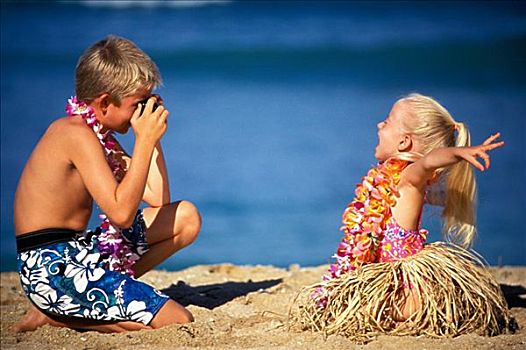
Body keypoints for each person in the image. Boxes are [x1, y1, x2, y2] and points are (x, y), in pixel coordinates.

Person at [13, 35, 202, 333]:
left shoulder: (102, 139)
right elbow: (121, 214)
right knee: (176, 320)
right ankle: (61, 315)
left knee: (185, 217)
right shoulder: (73, 133)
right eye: (139, 104)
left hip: (81, 252)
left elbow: (157, 197)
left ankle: (94, 301)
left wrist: (152, 140)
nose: (143, 112)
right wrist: (143, 140)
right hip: (51, 269)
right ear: (103, 102)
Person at [291, 93, 511, 341]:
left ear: (404, 142)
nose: (379, 125)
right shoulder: (389, 181)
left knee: (361, 309)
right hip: (384, 273)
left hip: (402, 281)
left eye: (386, 121)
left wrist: (458, 153)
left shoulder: (408, 179)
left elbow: (428, 162)